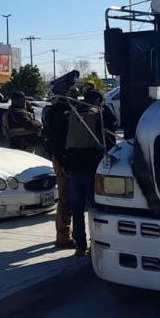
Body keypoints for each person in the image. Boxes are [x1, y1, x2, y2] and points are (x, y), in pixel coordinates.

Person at [64, 88, 117, 257]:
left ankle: (80, 245)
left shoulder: (73, 113)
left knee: (77, 208)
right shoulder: (99, 114)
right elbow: (112, 127)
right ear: (98, 101)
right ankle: (95, 242)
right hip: (92, 166)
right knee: (94, 207)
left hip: (74, 165)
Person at [42, 91, 76, 249]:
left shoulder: (51, 112)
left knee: (64, 199)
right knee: (69, 199)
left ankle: (63, 235)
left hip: (58, 158)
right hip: (66, 160)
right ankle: (66, 237)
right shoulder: (65, 114)